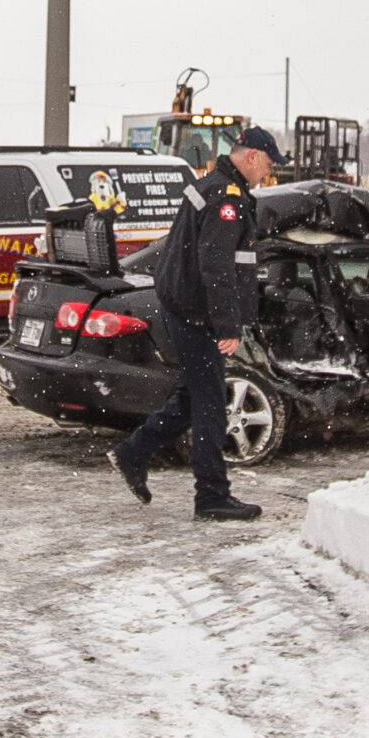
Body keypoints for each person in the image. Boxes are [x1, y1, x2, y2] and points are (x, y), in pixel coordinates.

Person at [108, 127, 285, 521]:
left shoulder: (209, 184)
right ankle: (211, 497)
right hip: (195, 313)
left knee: (194, 397)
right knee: (210, 405)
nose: (267, 175)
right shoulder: (226, 196)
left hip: (181, 305)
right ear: (253, 156)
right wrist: (227, 325)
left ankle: (133, 452)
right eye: (269, 165)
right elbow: (216, 265)